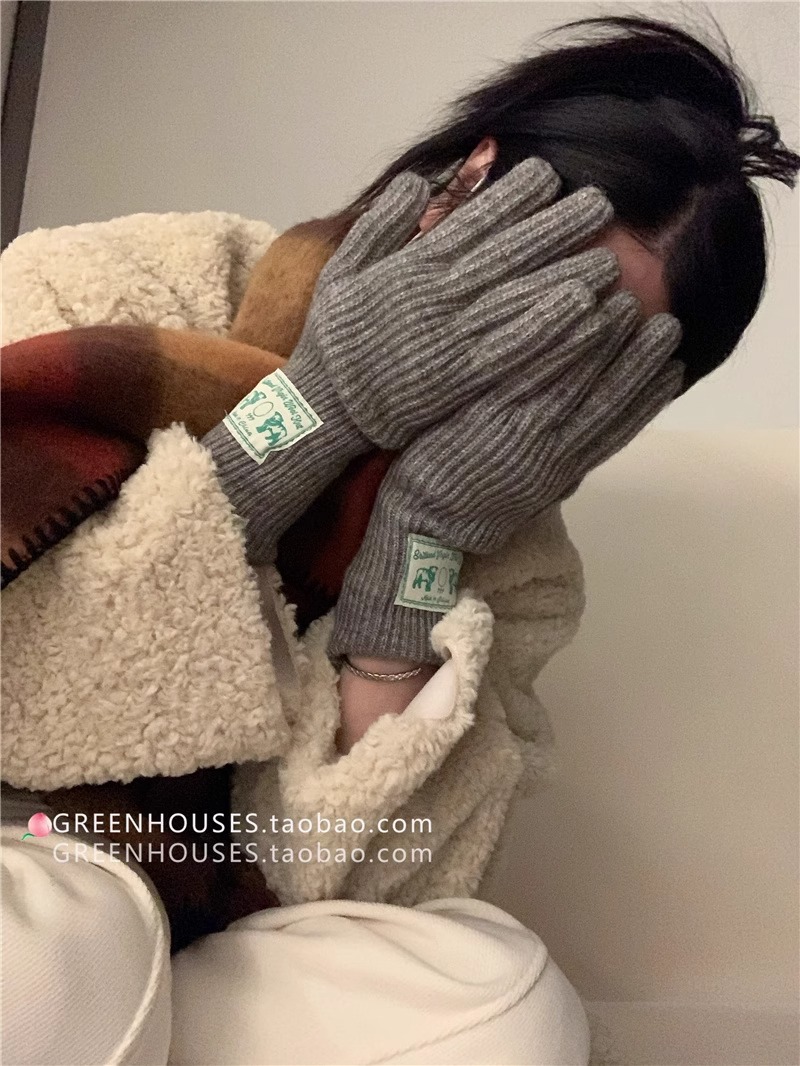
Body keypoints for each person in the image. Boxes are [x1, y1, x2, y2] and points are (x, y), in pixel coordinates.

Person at [2, 14, 798, 1066]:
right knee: (63, 956)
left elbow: (362, 892)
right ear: (463, 188)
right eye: (522, 299)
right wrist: (317, 407)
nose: (513, 367)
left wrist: (421, 544)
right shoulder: (116, 284)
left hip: (213, 928)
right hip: (24, 847)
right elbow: (25, 672)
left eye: (577, 367)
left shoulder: (517, 560)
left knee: (502, 1009)